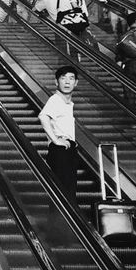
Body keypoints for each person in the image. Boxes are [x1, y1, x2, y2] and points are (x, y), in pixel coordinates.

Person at [39, 65, 79, 204]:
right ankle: (61, 224)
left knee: (67, 190)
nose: (67, 82)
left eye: (71, 78)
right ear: (56, 82)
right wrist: (55, 140)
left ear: (76, 82)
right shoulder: (55, 100)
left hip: (67, 150)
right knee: (63, 192)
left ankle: (66, 224)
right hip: (60, 151)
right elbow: (43, 116)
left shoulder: (67, 103)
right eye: (63, 78)